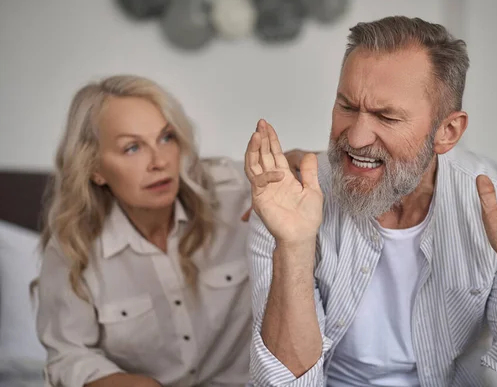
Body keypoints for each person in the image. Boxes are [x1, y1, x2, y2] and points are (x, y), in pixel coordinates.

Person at [244, 16, 497, 386]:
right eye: (347, 107)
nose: (355, 138)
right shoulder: (286, 195)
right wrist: (293, 245)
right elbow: (283, 383)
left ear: (447, 132)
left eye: (386, 116)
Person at [35, 75, 306, 387]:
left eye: (166, 138)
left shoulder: (235, 192)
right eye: (132, 148)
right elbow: (68, 356)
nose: (159, 161)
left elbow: (317, 178)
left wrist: (298, 171)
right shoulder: (73, 247)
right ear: (95, 168)